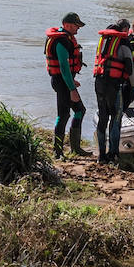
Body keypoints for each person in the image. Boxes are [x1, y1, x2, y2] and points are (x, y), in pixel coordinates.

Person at [44, 12, 90, 158]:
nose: (78, 29)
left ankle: (74, 148)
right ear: (67, 25)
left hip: (64, 80)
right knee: (64, 114)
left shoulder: (66, 38)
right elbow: (63, 67)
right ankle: (58, 152)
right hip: (62, 83)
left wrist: (71, 80)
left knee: (79, 111)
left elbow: (66, 69)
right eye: (76, 26)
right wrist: (72, 88)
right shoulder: (61, 41)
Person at [93, 18, 134, 164]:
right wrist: (133, 87)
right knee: (116, 118)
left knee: (103, 118)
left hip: (99, 83)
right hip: (113, 85)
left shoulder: (103, 41)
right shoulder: (123, 43)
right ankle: (113, 154)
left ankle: (101, 155)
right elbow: (130, 69)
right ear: (124, 29)